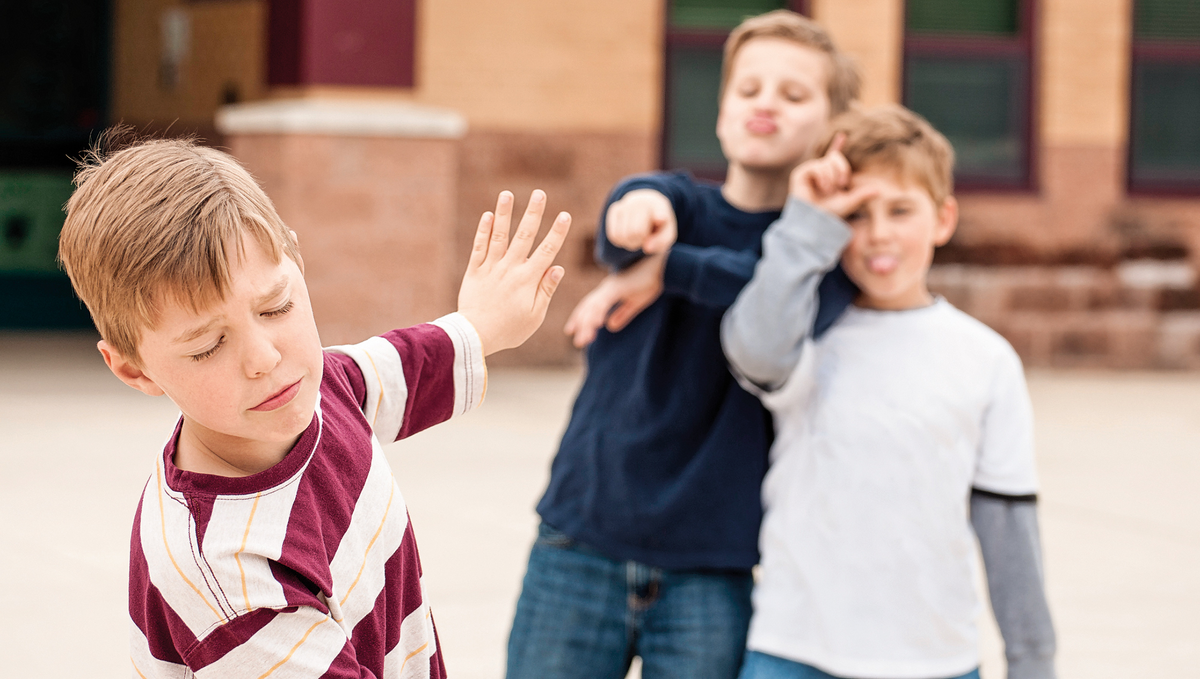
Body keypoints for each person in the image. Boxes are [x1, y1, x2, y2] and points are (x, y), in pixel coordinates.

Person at [56, 138, 572, 678]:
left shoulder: (317, 389)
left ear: (297, 260)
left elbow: (404, 367)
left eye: (275, 306)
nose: (264, 357)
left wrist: (482, 324)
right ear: (134, 369)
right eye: (208, 345)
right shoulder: (224, 571)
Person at [506, 10, 861, 679]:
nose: (765, 105)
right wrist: (636, 214)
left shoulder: (817, 254)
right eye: (748, 88)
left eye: (793, 94)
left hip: (714, 565)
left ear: (831, 130)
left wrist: (671, 270)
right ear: (722, 111)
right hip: (581, 537)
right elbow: (628, 217)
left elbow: (779, 295)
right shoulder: (678, 204)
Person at [722, 105, 1057, 679]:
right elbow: (752, 350)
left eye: (901, 211)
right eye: (856, 214)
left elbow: (1009, 527)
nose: (878, 234)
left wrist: (1033, 663)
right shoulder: (806, 333)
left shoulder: (986, 359)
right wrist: (806, 222)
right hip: (795, 650)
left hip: (935, 660)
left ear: (943, 219)